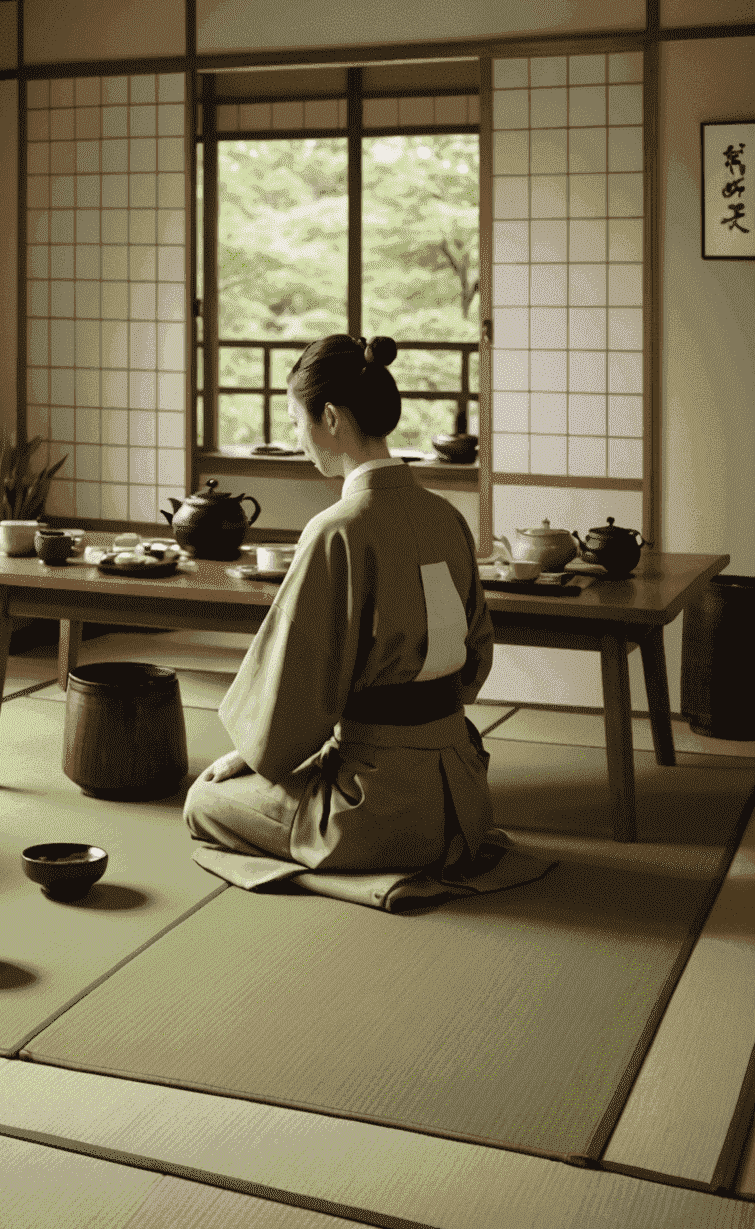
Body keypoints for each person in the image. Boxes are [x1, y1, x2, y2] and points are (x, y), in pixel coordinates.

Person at [183, 334, 553, 909]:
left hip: (371, 805)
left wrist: (251, 756)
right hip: (462, 795)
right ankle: (412, 862)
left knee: (203, 804)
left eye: (296, 420)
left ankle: (366, 877)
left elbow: (298, 680)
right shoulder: (446, 517)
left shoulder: (338, 528)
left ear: (329, 417)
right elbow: (475, 655)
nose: (298, 440)